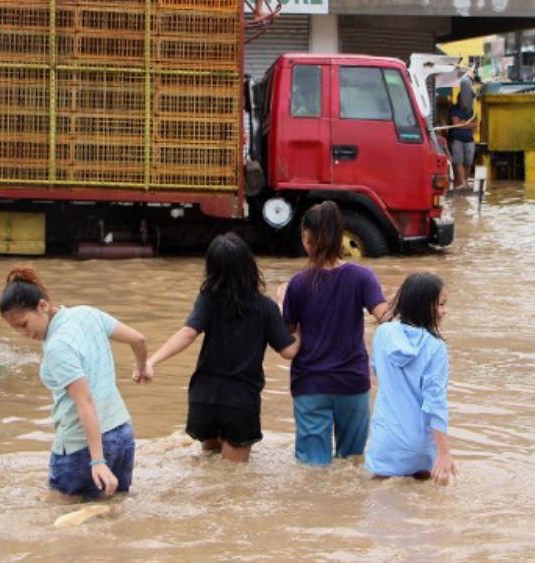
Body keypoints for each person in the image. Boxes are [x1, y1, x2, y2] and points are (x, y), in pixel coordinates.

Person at [142, 234, 300, 463]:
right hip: (240, 403)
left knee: (209, 469)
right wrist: (300, 324)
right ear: (250, 265)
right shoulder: (266, 308)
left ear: (212, 269)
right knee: (232, 482)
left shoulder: (207, 300)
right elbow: (289, 351)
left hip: (203, 400)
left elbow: (188, 333)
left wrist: (151, 361)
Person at [0, 267, 150, 500]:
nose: (23, 333)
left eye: (23, 324)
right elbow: (138, 339)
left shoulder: (57, 347)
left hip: (82, 447)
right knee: (114, 512)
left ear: (42, 306)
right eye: (15, 329)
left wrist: (98, 461)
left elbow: (85, 402)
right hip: (122, 435)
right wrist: (142, 367)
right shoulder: (87, 313)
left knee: (62, 523)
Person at [278, 201, 388, 465]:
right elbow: (385, 316)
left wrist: (281, 301)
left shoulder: (298, 284)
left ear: (307, 239)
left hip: (311, 384)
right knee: (351, 463)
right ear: (340, 236)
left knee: (312, 467)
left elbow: (287, 333)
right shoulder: (363, 277)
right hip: (352, 382)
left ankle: (316, 507)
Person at [365, 273, 457, 485]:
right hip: (420, 444)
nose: (445, 311)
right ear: (423, 306)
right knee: (423, 508)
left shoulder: (383, 334)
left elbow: (378, 372)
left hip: (386, 439)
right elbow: (435, 403)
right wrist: (444, 453)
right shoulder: (435, 347)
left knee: (381, 506)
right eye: (441, 304)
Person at [448, 72, 479, 190]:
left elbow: (476, 125)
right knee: (459, 162)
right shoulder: (454, 109)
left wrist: (463, 123)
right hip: (457, 140)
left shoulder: (472, 110)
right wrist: (468, 124)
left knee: (468, 163)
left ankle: (464, 182)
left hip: (469, 140)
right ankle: (462, 182)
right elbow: (456, 124)